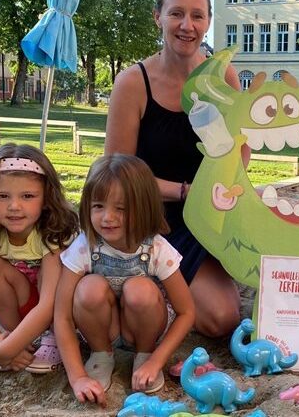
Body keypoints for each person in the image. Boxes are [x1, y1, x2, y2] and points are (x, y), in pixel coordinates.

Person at [105, 0, 241, 337]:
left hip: (208, 218)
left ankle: (156, 296)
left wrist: (225, 188)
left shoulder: (223, 77)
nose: (187, 25)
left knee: (225, 318)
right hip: (151, 219)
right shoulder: (133, 83)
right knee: (216, 316)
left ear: (208, 22)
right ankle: (144, 294)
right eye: (176, 13)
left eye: (197, 15)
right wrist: (183, 191)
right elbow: (114, 172)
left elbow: (239, 155)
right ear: (158, 17)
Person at [55, 154, 195, 407]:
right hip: (102, 329)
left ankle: (144, 354)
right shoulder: (85, 246)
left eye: (120, 208)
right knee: (88, 288)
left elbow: (187, 312)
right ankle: (101, 355)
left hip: (143, 329)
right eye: (98, 206)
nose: (107, 217)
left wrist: (157, 360)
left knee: (140, 289)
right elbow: (62, 315)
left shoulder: (157, 248)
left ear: (144, 207)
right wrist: (77, 378)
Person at [0, 143, 79, 373]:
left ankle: (52, 340)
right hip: (23, 308)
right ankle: (18, 340)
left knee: (51, 271)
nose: (14, 206)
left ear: (46, 198)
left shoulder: (53, 232)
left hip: (58, 311)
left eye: (28, 196)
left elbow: (50, 303)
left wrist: (3, 352)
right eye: (2, 196)